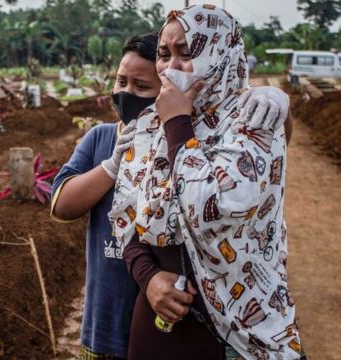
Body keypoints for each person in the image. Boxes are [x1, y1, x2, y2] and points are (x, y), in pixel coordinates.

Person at [51, 33, 292, 359]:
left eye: (141, 86)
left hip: (168, 328)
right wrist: (112, 166)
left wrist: (275, 100)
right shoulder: (101, 138)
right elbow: (62, 205)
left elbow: (258, 156)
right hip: (105, 326)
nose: (125, 92)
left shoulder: (188, 145)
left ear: (168, 89)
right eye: (121, 81)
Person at [111, 5, 303, 359]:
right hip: (161, 321)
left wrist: (178, 125)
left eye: (187, 53)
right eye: (164, 54)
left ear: (220, 53)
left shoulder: (254, 117)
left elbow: (212, 208)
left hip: (239, 328)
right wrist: (148, 277)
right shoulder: (151, 126)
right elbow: (126, 216)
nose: (170, 68)